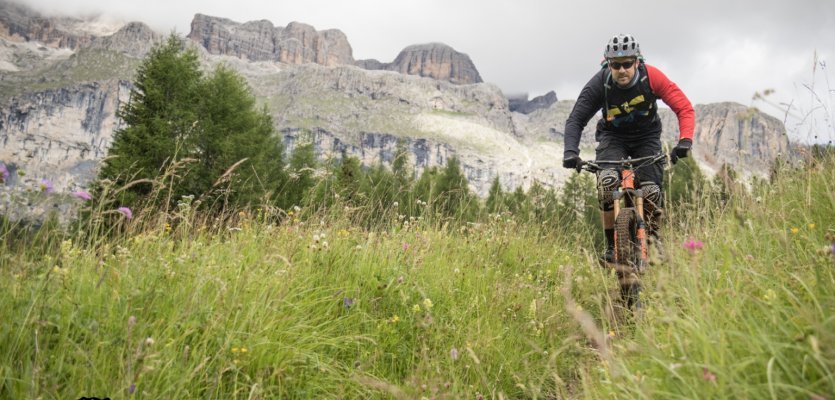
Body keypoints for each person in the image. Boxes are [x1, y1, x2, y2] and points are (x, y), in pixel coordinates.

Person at [562, 33, 695, 262]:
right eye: (616, 65)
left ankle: (653, 240)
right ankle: (611, 247)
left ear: (637, 62)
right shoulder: (600, 83)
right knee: (606, 183)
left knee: (652, 190)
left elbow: (684, 108)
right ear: (607, 64)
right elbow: (576, 120)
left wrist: (685, 141)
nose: (622, 70)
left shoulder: (652, 77)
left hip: (647, 136)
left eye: (627, 64)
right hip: (613, 137)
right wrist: (570, 152)